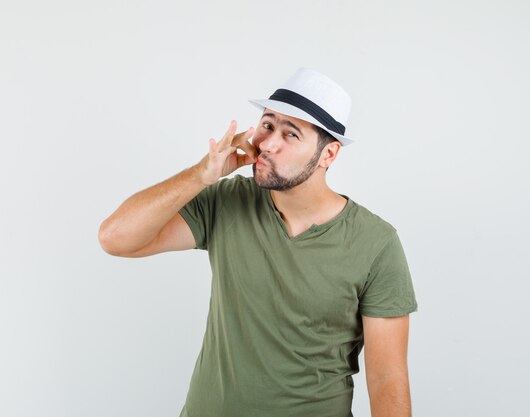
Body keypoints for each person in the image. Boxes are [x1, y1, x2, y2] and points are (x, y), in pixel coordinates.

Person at [98, 67, 418, 417]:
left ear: (328, 155)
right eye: (267, 125)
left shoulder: (376, 243)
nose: (268, 144)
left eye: (291, 134)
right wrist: (201, 174)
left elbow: (387, 378)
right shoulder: (225, 201)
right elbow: (116, 238)